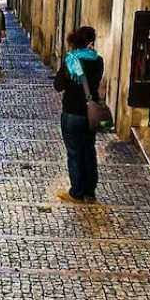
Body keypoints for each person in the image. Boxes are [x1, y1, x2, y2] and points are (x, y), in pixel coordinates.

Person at [54, 27, 104, 204]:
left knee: (74, 153)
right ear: (90, 42)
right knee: (89, 151)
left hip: (72, 113)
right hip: (90, 114)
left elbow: (58, 85)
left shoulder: (70, 60)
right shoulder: (98, 61)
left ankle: (76, 192)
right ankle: (90, 193)